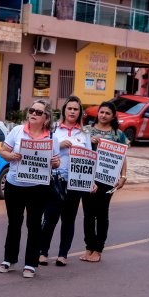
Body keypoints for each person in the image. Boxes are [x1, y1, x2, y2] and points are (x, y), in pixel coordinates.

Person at [0, 99, 60, 278]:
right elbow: (3, 151)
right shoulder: (17, 131)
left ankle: (31, 263)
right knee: (14, 223)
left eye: (38, 112)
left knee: (34, 225)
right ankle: (9, 259)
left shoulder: (51, 138)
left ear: (46, 117)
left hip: (38, 188)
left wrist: (55, 162)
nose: (33, 114)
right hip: (14, 185)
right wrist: (12, 155)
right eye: (32, 110)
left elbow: (56, 162)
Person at [39, 96, 91, 267]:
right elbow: (42, 151)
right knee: (50, 217)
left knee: (69, 219)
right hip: (54, 180)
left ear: (80, 113)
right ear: (64, 111)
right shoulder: (53, 130)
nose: (72, 112)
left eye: (76, 109)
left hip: (75, 182)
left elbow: (90, 160)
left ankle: (63, 254)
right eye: (69, 108)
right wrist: (59, 145)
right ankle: (43, 252)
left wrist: (91, 181)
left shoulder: (84, 134)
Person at [80, 101, 128, 263]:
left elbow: (123, 157)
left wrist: (123, 176)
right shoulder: (87, 131)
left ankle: (98, 249)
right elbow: (79, 151)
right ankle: (89, 247)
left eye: (107, 113)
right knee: (88, 214)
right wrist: (89, 142)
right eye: (101, 112)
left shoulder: (118, 135)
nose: (103, 115)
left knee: (101, 213)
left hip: (107, 180)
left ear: (113, 116)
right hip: (87, 177)